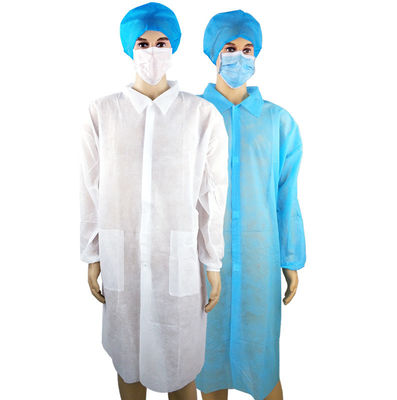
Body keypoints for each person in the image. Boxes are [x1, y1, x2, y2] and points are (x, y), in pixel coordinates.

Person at [79, 3, 229, 399]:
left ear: (173, 46)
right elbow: (90, 189)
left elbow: (213, 196)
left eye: (161, 42)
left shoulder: (201, 116)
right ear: (129, 48)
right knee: (128, 361)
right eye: (142, 43)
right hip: (122, 258)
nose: (152, 51)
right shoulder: (102, 113)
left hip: (176, 261)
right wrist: (93, 253)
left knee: (180, 366)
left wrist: (212, 260)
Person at [194, 10, 306, 400]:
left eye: (247, 49)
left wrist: (290, 258)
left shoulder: (278, 122)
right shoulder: (192, 115)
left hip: (260, 262)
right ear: (214, 53)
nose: (239, 57)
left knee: (264, 368)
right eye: (230, 48)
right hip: (202, 262)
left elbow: (286, 195)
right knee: (208, 368)